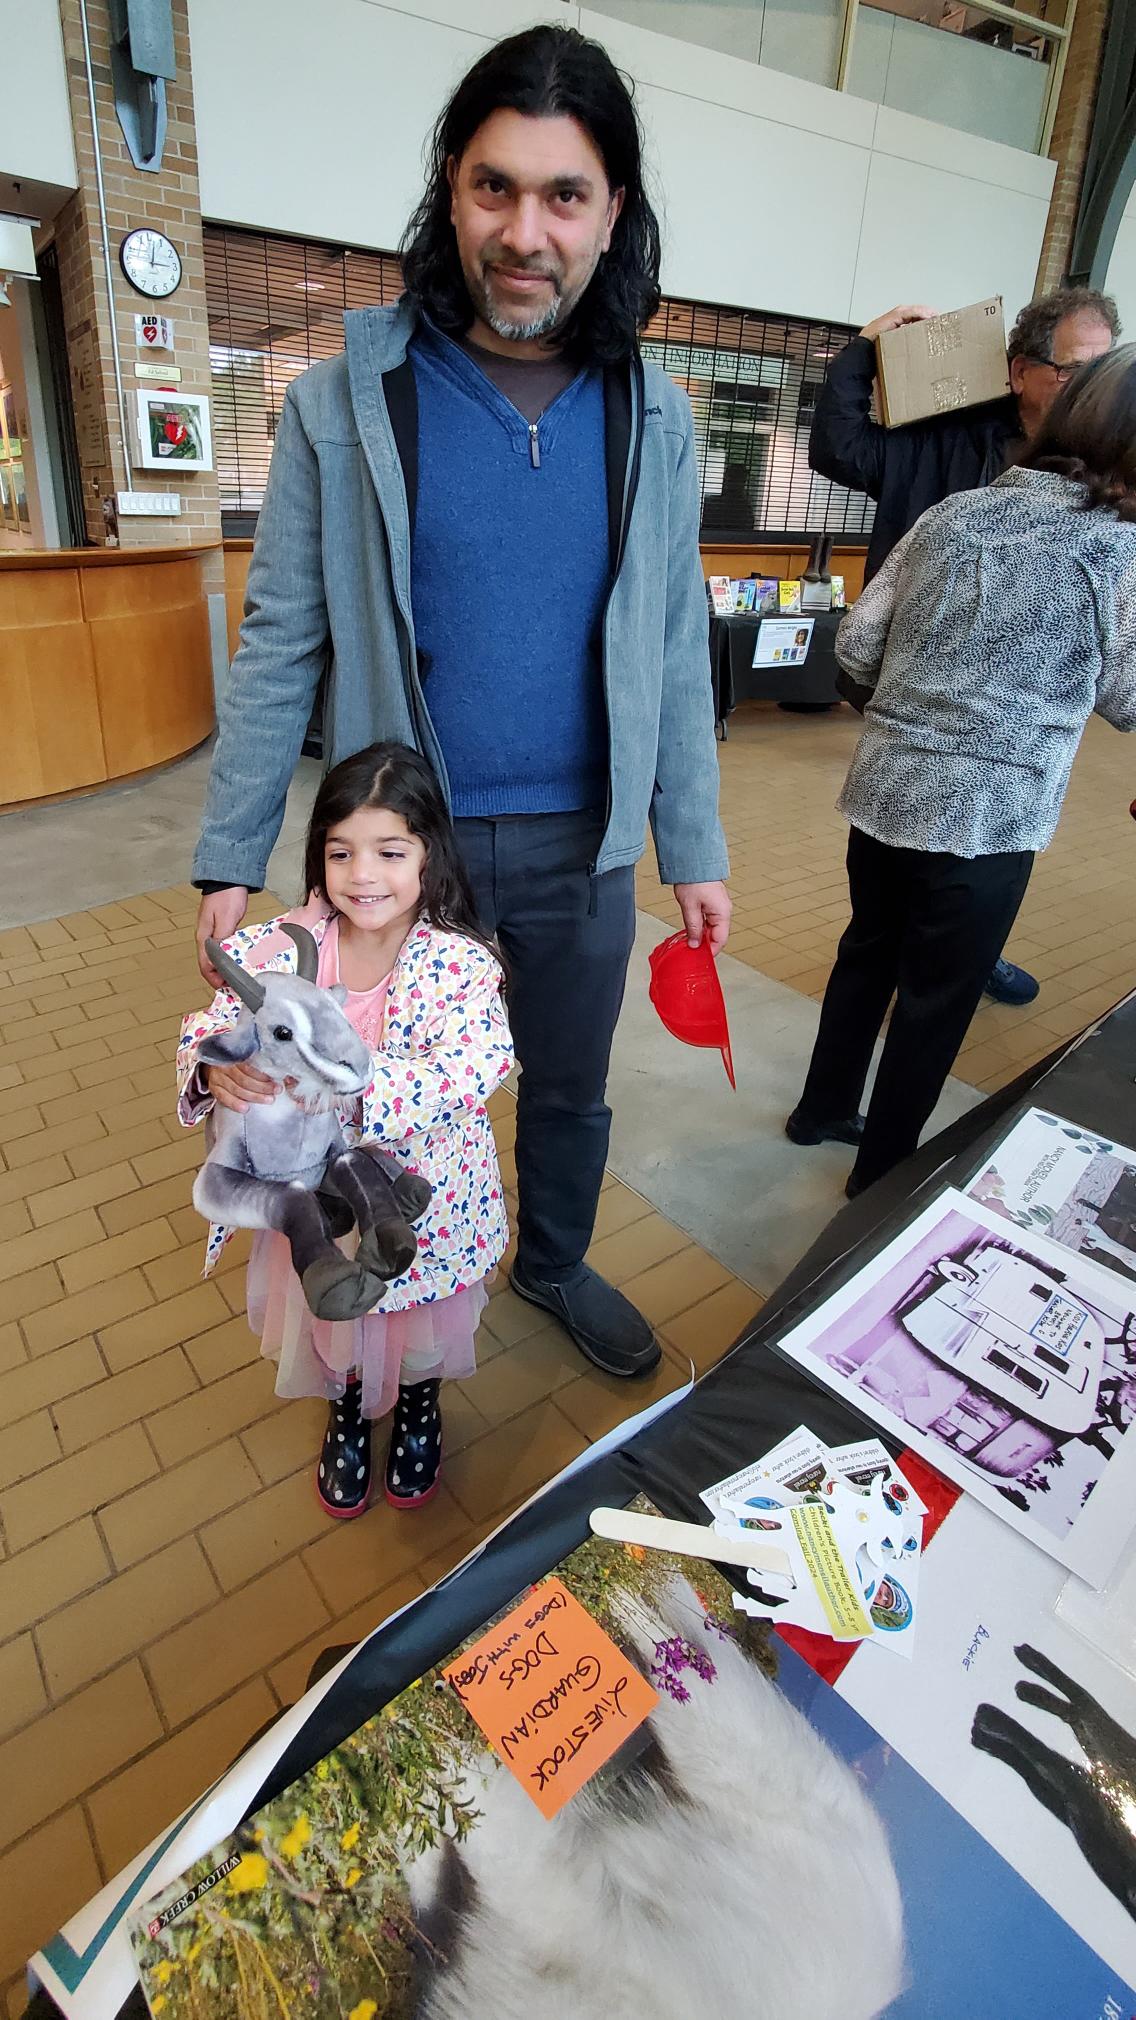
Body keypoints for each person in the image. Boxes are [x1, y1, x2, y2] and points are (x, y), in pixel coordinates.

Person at [191, 24, 729, 1383]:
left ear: (614, 215)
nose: (526, 230)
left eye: (565, 194)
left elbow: (672, 644)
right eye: (497, 188)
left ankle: (546, 1262)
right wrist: (229, 851)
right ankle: (385, 1314)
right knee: (378, 1101)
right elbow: (280, 639)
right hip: (398, 855)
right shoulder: (346, 400)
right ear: (450, 188)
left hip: (580, 851)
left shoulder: (650, 418)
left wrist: (697, 847)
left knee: (567, 1089)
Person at [787, 346, 1136, 1198]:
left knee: (866, 952)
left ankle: (822, 1109)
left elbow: (858, 642)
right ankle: (879, 1181)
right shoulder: (1119, 552)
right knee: (937, 999)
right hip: (989, 817)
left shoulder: (956, 514)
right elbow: (1130, 695)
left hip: (885, 793)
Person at [178, 743, 514, 1517]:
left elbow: (477, 1066)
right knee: (337, 1319)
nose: (363, 876)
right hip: (317, 1201)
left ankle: (421, 1404)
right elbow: (216, 1020)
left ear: (430, 853)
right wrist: (211, 1068)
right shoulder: (288, 944)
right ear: (319, 856)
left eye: (390, 852)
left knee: (422, 1319)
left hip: (429, 1196)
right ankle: (349, 1409)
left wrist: (352, 1094)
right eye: (342, 852)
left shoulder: (461, 962)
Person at [809, 284, 1121, 1010]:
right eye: (1074, 371)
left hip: (1014, 729)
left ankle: (971, 953)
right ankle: (907, 965)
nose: (1091, 391)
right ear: (1020, 370)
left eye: (1102, 373)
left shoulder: (1103, 477)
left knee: (977, 853)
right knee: (897, 868)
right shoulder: (944, 437)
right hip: (918, 696)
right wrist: (864, 348)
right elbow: (840, 445)